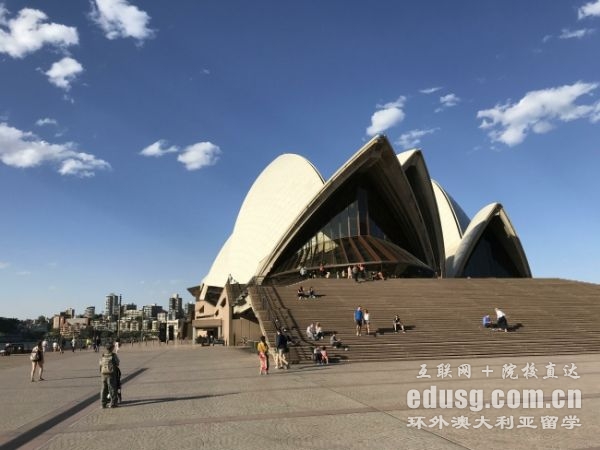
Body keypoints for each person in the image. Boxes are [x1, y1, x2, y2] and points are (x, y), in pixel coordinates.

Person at [99, 342, 120, 408]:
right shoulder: (113, 355)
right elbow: (117, 363)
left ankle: (103, 404)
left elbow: (100, 364)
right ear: (112, 348)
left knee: (103, 389)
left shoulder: (103, 355)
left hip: (103, 373)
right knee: (112, 388)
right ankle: (113, 403)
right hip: (111, 374)